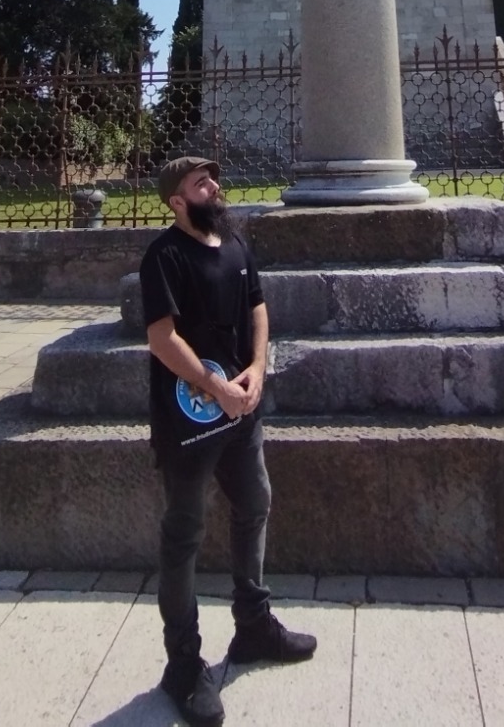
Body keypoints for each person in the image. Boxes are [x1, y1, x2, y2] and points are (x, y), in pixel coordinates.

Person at [140, 155, 316, 727]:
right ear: (177, 201)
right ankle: (183, 665)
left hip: (241, 410)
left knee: (255, 503)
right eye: (200, 183)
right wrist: (215, 387)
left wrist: (258, 369)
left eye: (212, 179)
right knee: (184, 533)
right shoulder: (164, 256)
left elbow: (257, 307)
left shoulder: (235, 243)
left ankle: (253, 625)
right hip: (190, 418)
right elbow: (161, 338)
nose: (214, 186)